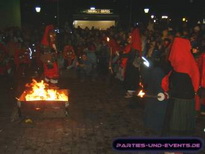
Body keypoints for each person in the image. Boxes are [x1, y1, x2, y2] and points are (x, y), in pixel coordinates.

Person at [161, 37, 200, 137]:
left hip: (181, 100)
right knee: (181, 124)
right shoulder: (188, 59)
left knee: (177, 124)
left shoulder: (183, 64)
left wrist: (168, 93)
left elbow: (180, 85)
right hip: (185, 98)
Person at [143, 48, 169, 136]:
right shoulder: (156, 69)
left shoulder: (158, 68)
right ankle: (152, 125)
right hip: (156, 89)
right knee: (153, 107)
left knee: (155, 107)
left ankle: (153, 126)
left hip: (159, 90)